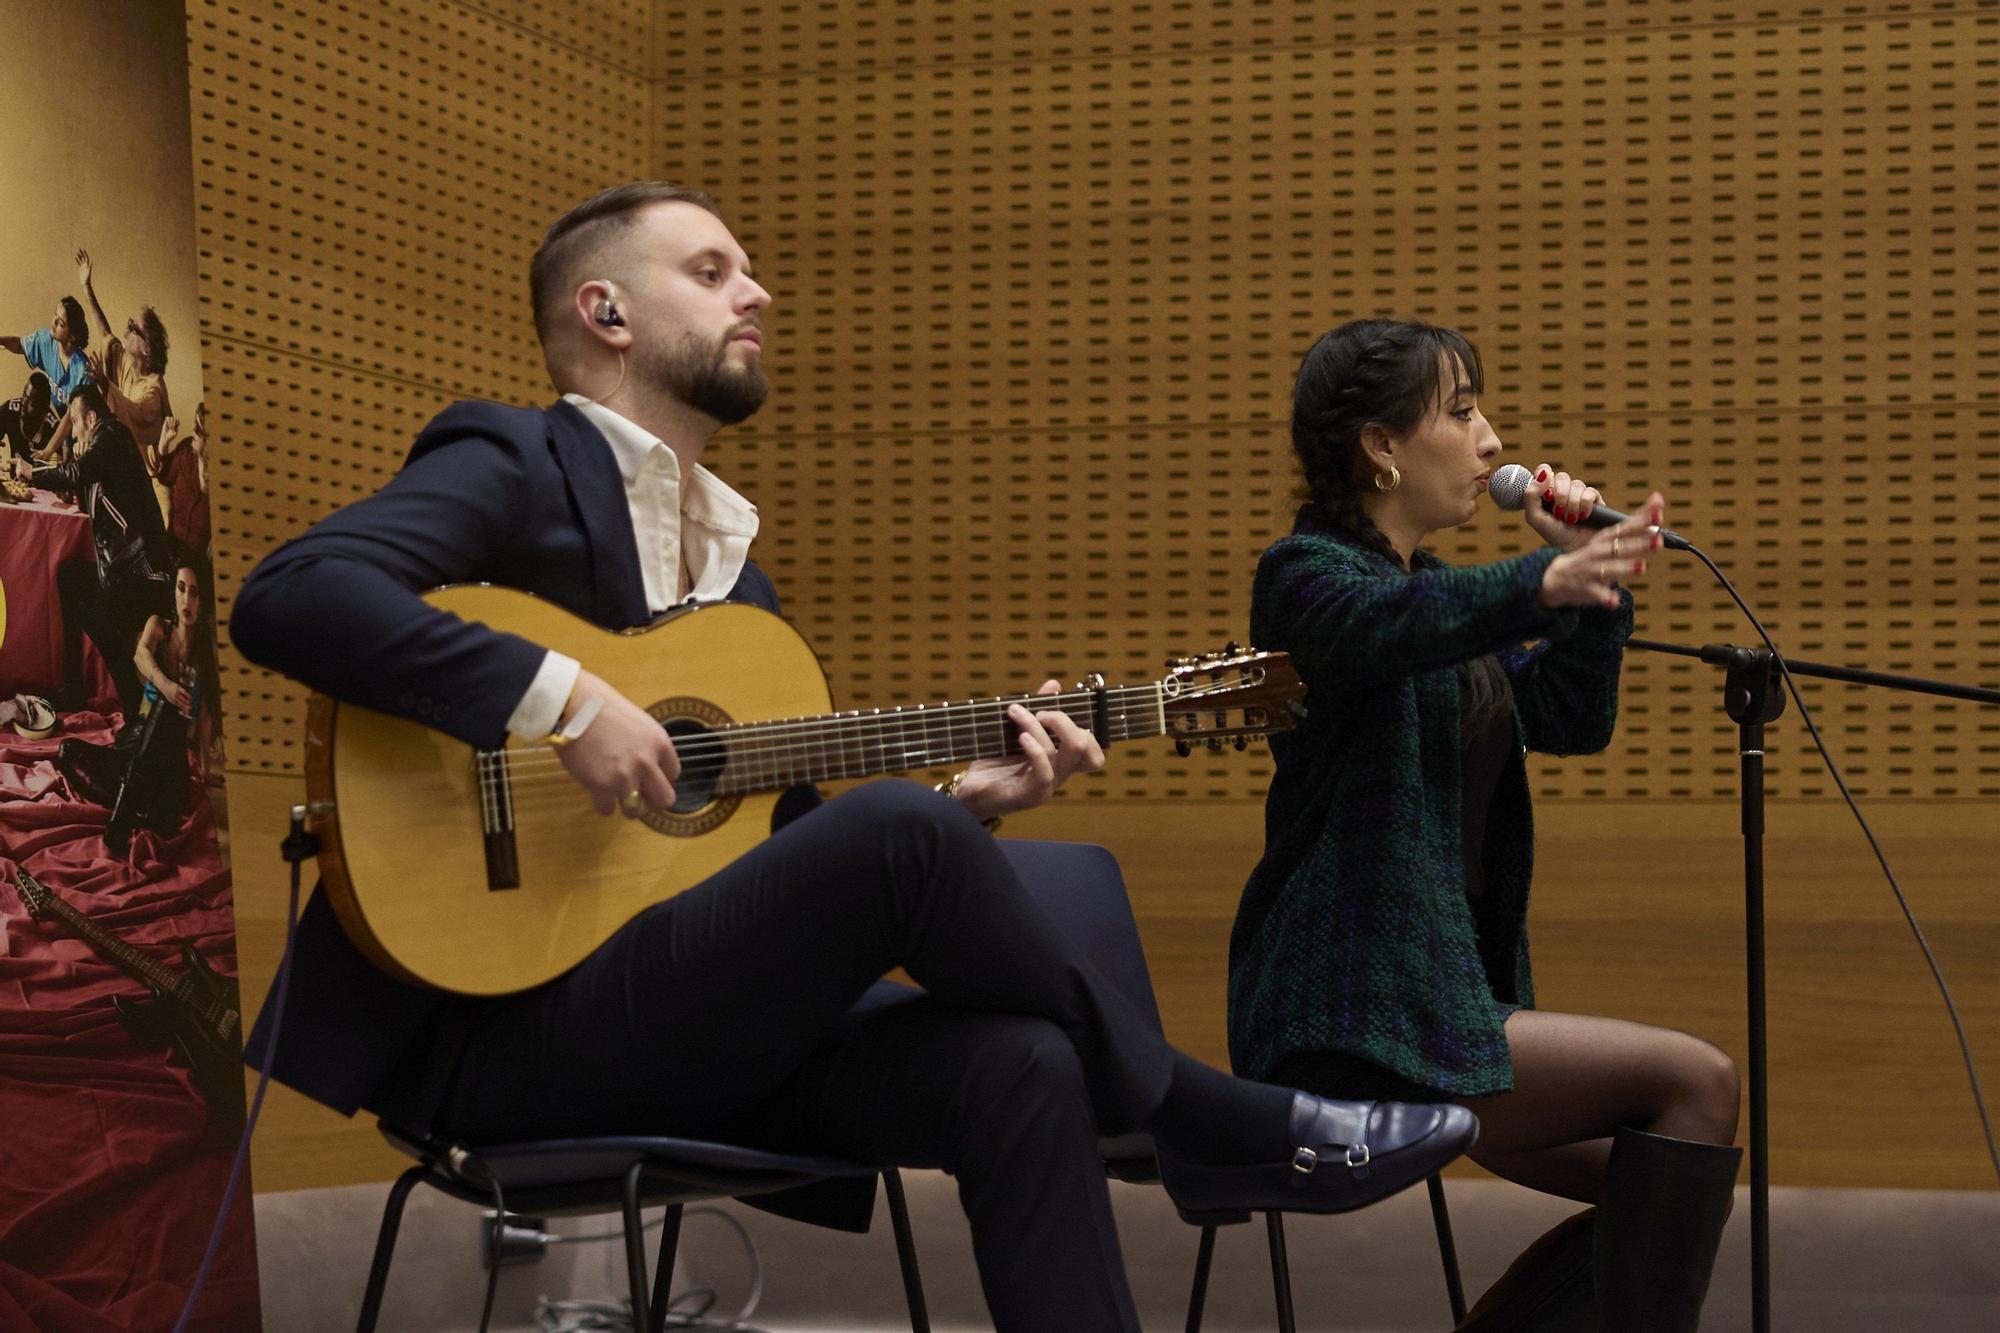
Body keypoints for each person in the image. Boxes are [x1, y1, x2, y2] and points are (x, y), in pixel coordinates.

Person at [230, 183, 1476, 1333]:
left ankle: (1170, 1121)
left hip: (686, 1021)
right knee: (893, 836)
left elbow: (766, 855)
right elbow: (292, 593)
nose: (757, 293)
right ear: (602, 310)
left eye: (751, 273)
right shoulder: (515, 462)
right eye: (713, 270)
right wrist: (561, 700)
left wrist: (964, 807)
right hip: (503, 1030)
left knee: (1018, 1058)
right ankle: (1201, 1114)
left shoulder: (740, 589)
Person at [1229, 319, 1742, 1333]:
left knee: (1669, 1171)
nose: (1492, 441)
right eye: (1460, 413)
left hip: (1435, 1014)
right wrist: (1534, 585)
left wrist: (1587, 593)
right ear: (1379, 445)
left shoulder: (1436, 604)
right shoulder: (1304, 578)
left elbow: (1566, 718)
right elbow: (1385, 632)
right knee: (1696, 1079)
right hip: (1344, 1014)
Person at [7, 382, 175, 718]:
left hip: (143, 571)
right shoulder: (103, 447)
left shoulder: (111, 433)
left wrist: (32, 471)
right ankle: (74, 685)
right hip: (121, 566)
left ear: (91, 418)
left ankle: (131, 705)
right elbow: (86, 483)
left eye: (75, 422)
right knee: (69, 575)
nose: (73, 431)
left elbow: (77, 472)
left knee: (93, 611)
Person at [56, 562, 215, 855]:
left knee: (166, 711)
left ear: (203, 601)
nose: (186, 599)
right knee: (67, 750)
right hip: (136, 741)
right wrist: (165, 684)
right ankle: (139, 807)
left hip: (171, 756)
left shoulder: (203, 655)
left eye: (194, 593)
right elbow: (140, 656)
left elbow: (203, 713)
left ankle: (121, 819)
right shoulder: (159, 627)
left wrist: (205, 769)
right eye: (181, 589)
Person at [42, 248, 172, 464]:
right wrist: (87, 287)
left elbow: (132, 413)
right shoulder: (131, 365)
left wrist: (103, 382)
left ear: (146, 349)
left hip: (149, 482)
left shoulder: (153, 391)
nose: (127, 328)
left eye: (133, 327)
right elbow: (105, 333)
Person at [0, 294, 92, 427]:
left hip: (83, 428)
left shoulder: (83, 370)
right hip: (64, 425)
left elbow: (85, 417)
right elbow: (19, 344)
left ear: (72, 335)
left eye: (60, 323)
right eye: (55, 314)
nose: (54, 322)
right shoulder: (46, 340)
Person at [149, 403, 209, 559]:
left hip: (201, 554)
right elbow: (163, 476)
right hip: (174, 544)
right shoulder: (185, 451)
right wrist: (164, 444)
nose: (192, 432)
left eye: (197, 429)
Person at [1, 370, 56, 462]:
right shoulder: (10, 410)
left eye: (31, 402)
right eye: (24, 394)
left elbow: (66, 467)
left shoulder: (52, 428)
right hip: (14, 476)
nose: (24, 402)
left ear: (43, 410)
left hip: (41, 476)